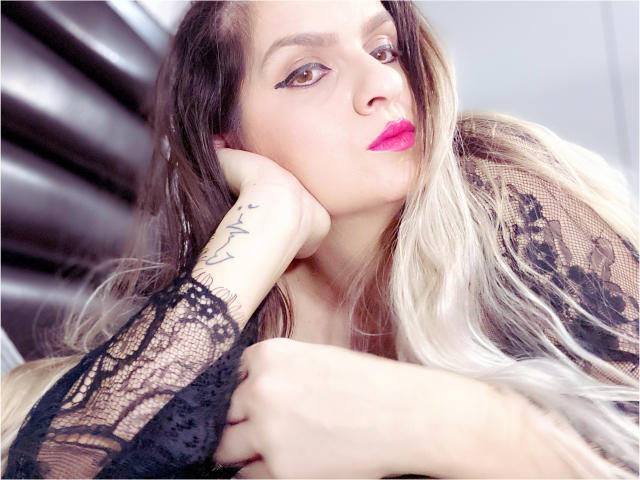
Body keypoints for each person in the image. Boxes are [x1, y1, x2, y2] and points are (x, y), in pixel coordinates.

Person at [3, 1, 638, 478]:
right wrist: (263, 220)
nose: (383, 86)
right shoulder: (205, 343)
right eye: (307, 72)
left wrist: (444, 422)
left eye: (384, 50)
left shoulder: (507, 198)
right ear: (228, 139)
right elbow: (50, 469)